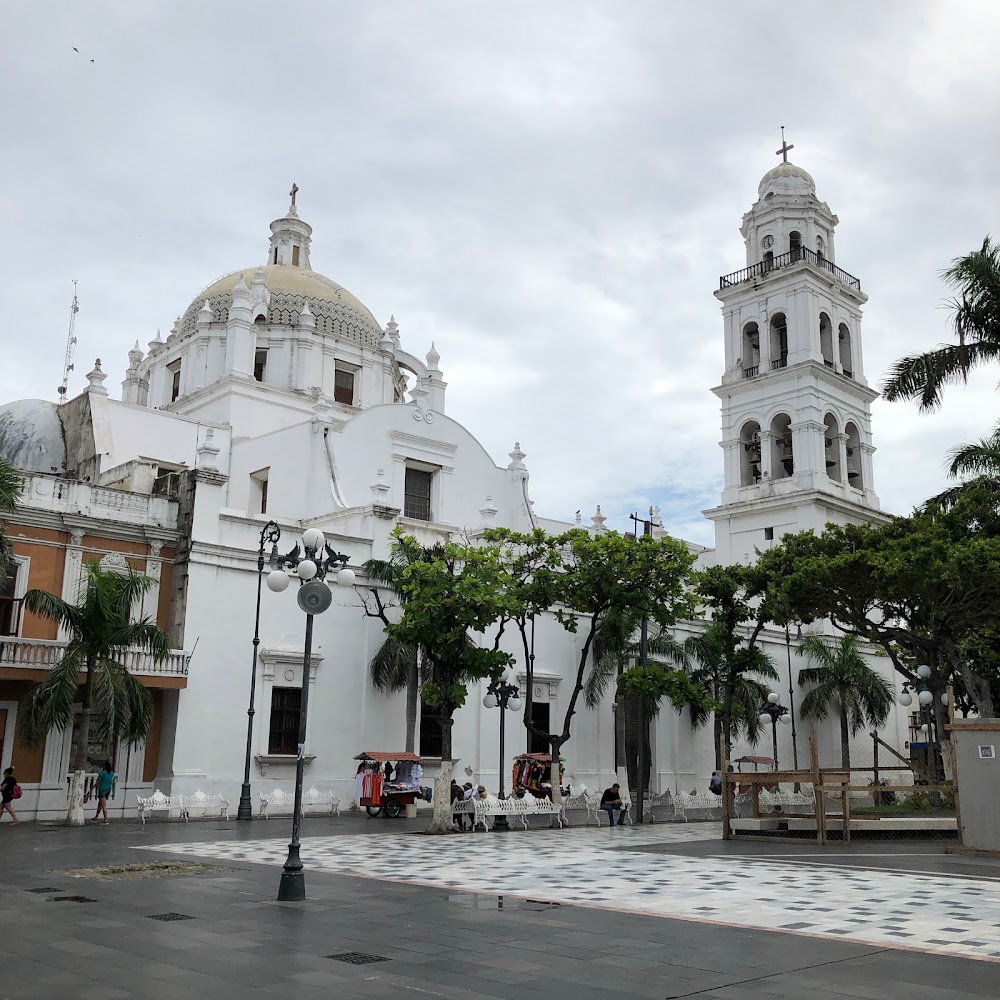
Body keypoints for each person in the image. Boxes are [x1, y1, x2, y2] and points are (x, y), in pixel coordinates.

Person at [93, 760, 115, 825]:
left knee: (103, 805)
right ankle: (96, 817)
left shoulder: (102, 773)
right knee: (100, 803)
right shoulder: (111, 773)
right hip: (108, 789)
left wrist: (92, 788)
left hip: (102, 789)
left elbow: (98, 782)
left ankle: (106, 819)